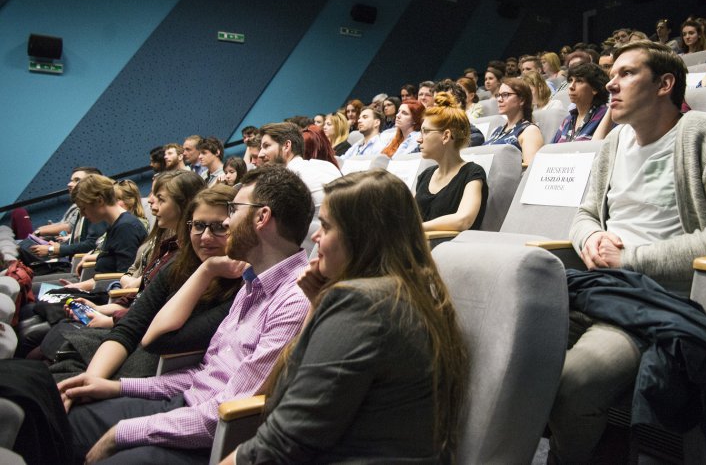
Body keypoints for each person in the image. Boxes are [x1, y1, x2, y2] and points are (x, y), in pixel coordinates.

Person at [548, 40, 706, 463]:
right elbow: (585, 214)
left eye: (627, 74)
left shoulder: (701, 133)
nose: (611, 84)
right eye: (612, 75)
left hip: (651, 303)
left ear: (665, 84)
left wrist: (629, 259)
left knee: (574, 384)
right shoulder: (613, 141)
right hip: (599, 287)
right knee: (500, 347)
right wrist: (590, 239)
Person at [63, 165, 313, 464]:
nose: (228, 222)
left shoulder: (294, 300)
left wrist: (124, 432)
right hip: (184, 404)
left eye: (234, 210)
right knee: (64, 418)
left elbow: (226, 413)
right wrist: (117, 387)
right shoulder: (253, 282)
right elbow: (203, 375)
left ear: (262, 217)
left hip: (208, 439)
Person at [219, 170, 467, 464]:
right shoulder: (406, 293)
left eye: (326, 226)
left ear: (360, 236)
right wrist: (316, 304)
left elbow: (285, 438)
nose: (315, 237)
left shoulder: (362, 306)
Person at [51, 181, 235, 381]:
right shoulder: (178, 264)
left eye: (219, 227)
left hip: (157, 376)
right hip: (129, 356)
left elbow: (160, 341)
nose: (206, 237)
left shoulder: (242, 288)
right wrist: (92, 380)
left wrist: (206, 271)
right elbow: (129, 328)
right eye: (198, 225)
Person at [415, 93, 488, 231]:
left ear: (446, 136)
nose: (419, 139)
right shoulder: (425, 175)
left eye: (425, 132)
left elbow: (463, 220)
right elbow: (408, 216)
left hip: (451, 244)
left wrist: (415, 229)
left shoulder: (472, 173)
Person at [485, 78, 544, 166]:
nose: (499, 99)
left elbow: (530, 169)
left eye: (505, 95)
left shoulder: (530, 131)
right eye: (498, 95)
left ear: (522, 100)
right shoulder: (497, 131)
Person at [552, 63, 609, 143]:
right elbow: (550, 148)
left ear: (595, 88)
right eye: (571, 80)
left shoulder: (606, 116)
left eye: (579, 81)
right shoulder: (568, 120)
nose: (571, 86)